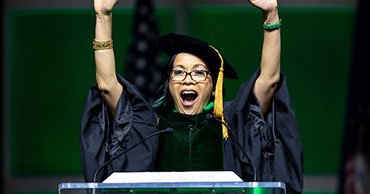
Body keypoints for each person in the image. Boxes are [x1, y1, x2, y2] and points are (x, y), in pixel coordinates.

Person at [80, 0, 303, 193]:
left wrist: (271, 15)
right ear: (168, 83)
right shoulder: (149, 126)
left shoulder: (233, 124)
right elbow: (108, 86)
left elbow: (269, 80)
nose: (188, 79)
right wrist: (103, 15)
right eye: (178, 72)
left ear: (214, 85)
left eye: (199, 72)